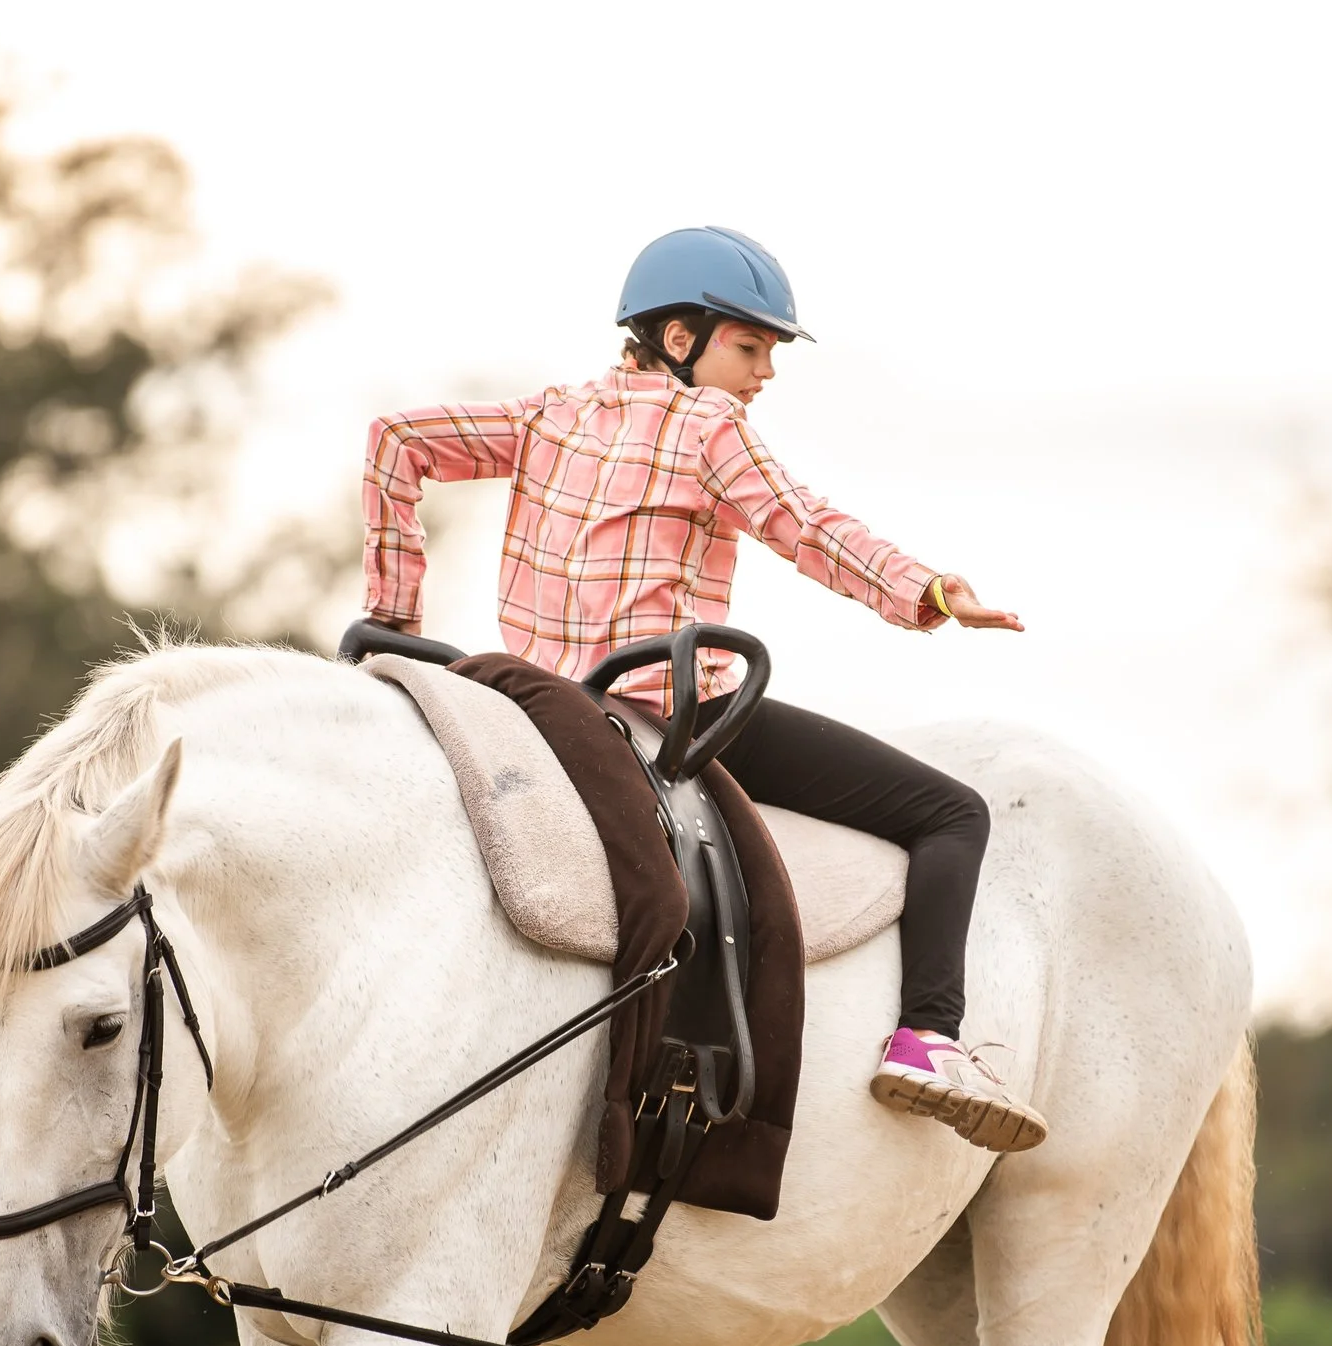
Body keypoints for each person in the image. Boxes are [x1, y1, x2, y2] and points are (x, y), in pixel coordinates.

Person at [359, 226, 1043, 1154]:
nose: (765, 373)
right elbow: (805, 525)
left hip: (535, 711)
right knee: (952, 812)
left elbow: (396, 442)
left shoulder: (549, 414)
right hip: (669, 715)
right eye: (750, 346)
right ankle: (927, 1038)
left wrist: (394, 620)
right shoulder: (709, 428)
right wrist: (925, 590)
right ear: (679, 338)